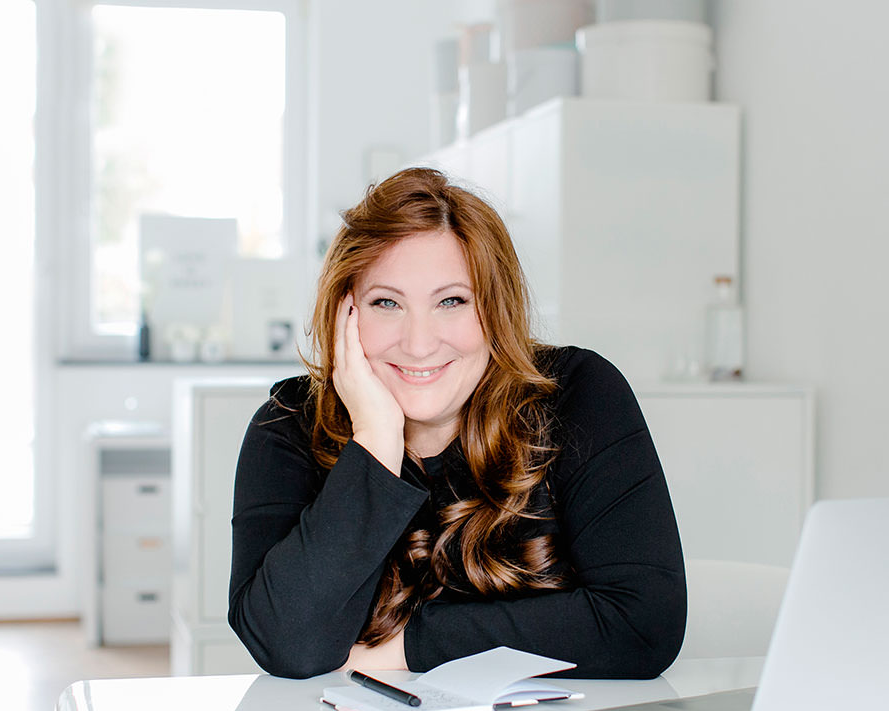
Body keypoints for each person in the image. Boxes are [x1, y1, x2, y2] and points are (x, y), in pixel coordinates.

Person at [229, 167, 686, 680]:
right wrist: (376, 443)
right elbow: (286, 645)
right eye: (387, 303)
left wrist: (411, 650)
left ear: (494, 309)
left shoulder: (576, 394)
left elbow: (643, 626)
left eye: (452, 301)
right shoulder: (288, 426)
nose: (420, 343)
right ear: (344, 313)